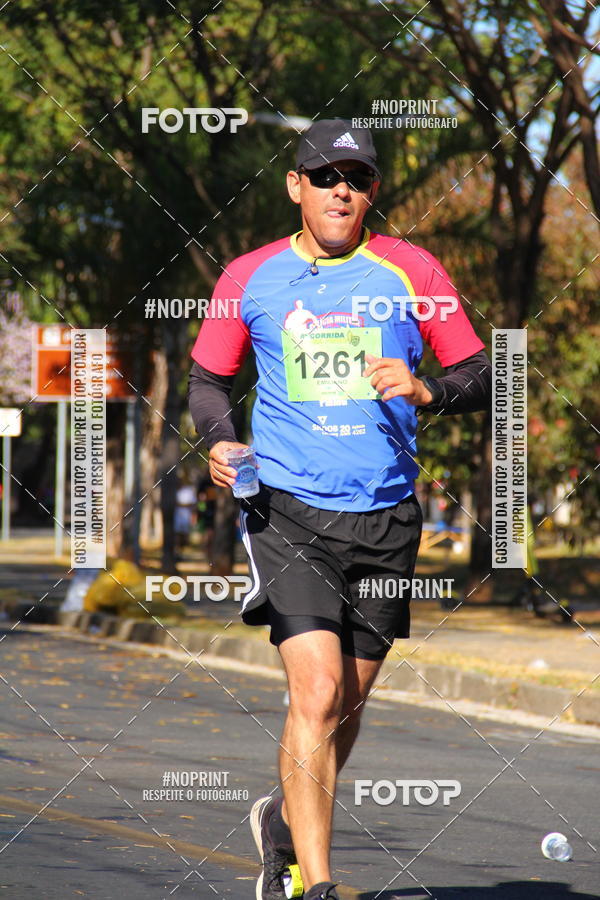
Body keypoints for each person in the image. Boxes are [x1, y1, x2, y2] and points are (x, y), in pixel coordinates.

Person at [188, 119, 491, 900]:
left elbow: (481, 371)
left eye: (355, 178)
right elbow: (208, 382)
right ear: (296, 185)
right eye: (324, 176)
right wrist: (220, 442)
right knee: (317, 693)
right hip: (288, 510)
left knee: (347, 704)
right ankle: (315, 883)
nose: (340, 191)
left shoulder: (412, 269)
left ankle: (282, 821)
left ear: (372, 191)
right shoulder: (250, 277)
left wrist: (429, 389)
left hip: (387, 516)